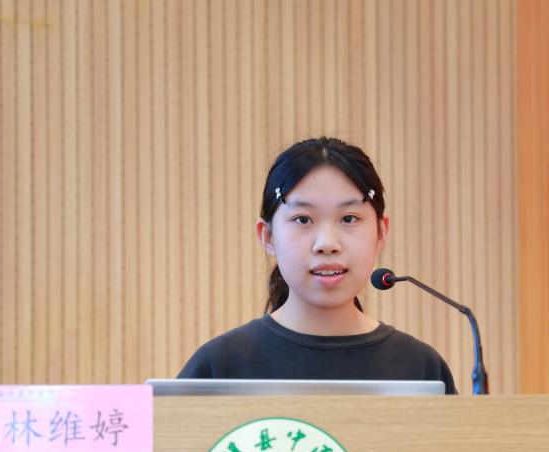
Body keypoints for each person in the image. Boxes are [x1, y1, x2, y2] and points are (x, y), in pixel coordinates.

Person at [177, 136, 457, 395]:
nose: (327, 244)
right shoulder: (219, 367)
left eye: (349, 218)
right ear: (268, 236)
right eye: (303, 219)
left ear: (381, 232)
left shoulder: (420, 369)